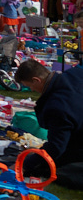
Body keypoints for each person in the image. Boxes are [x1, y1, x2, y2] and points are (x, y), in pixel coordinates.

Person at [16, 59, 83, 187]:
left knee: (47, 168)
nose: (32, 89)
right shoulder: (75, 73)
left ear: (36, 80)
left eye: (29, 86)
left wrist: (24, 165)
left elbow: (56, 147)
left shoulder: (58, 106)